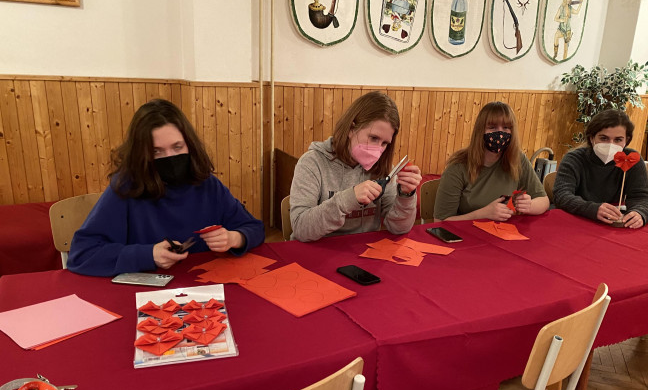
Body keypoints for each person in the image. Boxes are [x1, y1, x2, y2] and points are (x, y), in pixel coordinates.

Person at [67, 99, 265, 276]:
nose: (170, 158)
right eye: (156, 151)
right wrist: (148, 255)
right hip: (145, 292)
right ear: (141, 154)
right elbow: (82, 254)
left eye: (177, 147)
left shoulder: (207, 184)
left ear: (189, 145)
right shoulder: (126, 187)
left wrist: (234, 238)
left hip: (204, 287)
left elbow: (254, 228)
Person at [290, 91, 422, 242]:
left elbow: (398, 228)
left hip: (364, 250)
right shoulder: (312, 162)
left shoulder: (383, 169)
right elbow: (301, 229)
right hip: (318, 248)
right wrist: (349, 199)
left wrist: (406, 195)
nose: (378, 149)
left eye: (384, 143)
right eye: (373, 138)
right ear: (351, 129)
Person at [434, 101, 549, 221]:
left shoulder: (517, 159)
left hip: (504, 230)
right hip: (466, 231)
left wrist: (529, 206)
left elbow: (544, 200)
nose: (500, 133)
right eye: (492, 127)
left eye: (506, 127)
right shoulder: (458, 166)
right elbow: (439, 221)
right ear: (480, 131)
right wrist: (483, 214)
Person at [553, 109, 648, 228]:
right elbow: (561, 195)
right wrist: (592, 209)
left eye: (618, 140)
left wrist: (640, 213)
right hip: (576, 222)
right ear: (592, 138)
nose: (611, 144)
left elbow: (643, 196)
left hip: (612, 223)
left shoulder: (631, 159)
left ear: (626, 140)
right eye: (603, 138)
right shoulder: (574, 159)